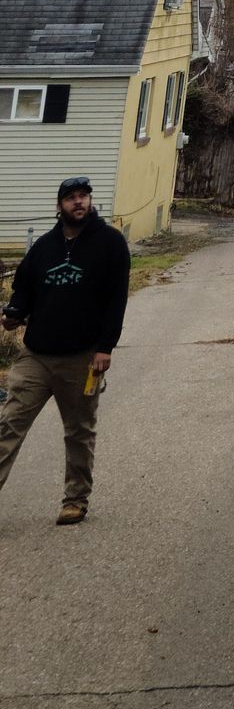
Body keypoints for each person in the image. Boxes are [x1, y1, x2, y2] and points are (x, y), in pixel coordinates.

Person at [0, 177, 130, 525]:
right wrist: (14, 313)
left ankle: (75, 499)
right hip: (36, 356)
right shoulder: (44, 247)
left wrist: (105, 347)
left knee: (78, 431)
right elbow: (24, 288)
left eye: (83, 196)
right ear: (59, 206)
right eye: (70, 198)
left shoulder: (110, 244)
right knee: (8, 424)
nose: (78, 203)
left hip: (82, 357)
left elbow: (116, 299)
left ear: (90, 201)